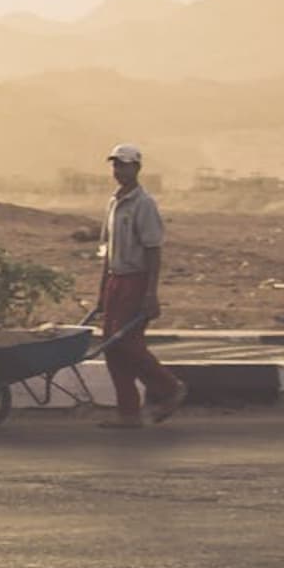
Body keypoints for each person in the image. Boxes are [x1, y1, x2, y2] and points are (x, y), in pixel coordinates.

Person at [94, 144, 186, 428]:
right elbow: (108, 250)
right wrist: (101, 291)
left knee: (128, 343)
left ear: (137, 168)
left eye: (124, 165)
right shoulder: (114, 202)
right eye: (115, 165)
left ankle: (169, 388)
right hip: (115, 280)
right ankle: (128, 412)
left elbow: (153, 250)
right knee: (112, 346)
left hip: (136, 280)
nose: (118, 170)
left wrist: (151, 293)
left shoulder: (143, 204)